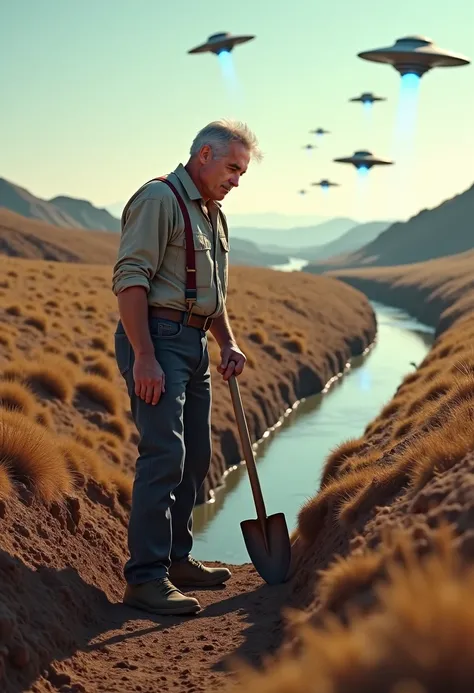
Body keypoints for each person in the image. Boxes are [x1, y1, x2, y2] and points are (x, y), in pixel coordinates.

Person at [112, 119, 262, 615]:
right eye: (233, 168)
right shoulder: (159, 199)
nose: (237, 180)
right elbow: (131, 279)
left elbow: (211, 295)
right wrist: (146, 356)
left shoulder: (213, 213)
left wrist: (229, 343)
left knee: (196, 457)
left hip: (195, 344)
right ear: (203, 154)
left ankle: (178, 558)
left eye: (242, 172)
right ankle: (146, 578)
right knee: (163, 456)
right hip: (157, 341)